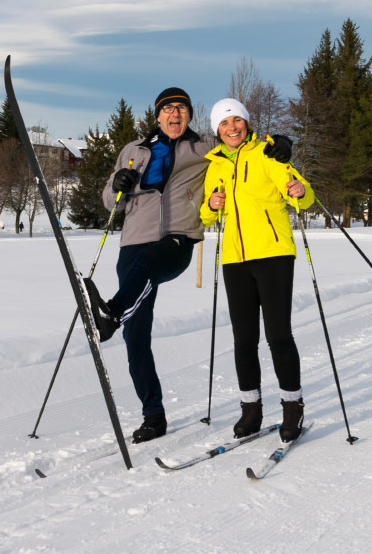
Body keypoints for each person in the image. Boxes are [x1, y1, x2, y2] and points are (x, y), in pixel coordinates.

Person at [84, 87, 293, 444]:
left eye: (181, 109)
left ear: (189, 116)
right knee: (137, 337)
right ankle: (154, 416)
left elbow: (240, 138)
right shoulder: (133, 151)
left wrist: (282, 142)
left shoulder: (204, 145)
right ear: (158, 115)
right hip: (133, 241)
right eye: (168, 109)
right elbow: (110, 202)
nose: (175, 115)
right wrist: (118, 186)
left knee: (144, 277)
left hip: (177, 239)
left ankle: (111, 315)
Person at [199, 98, 314, 443]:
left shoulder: (267, 152)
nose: (231, 128)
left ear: (246, 123)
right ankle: (251, 409)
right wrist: (211, 205)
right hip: (234, 259)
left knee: (278, 335)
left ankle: (292, 407)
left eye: (236, 121)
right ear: (216, 130)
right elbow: (206, 216)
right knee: (243, 339)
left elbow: (303, 197)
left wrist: (298, 189)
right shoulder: (214, 166)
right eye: (224, 123)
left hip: (274, 253)